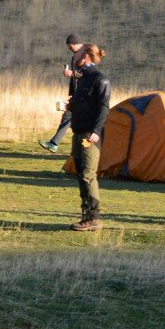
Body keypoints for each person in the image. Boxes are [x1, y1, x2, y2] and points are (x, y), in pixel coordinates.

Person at [68, 44, 110, 231]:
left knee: (87, 175)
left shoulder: (99, 78)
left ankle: (94, 218)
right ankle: (86, 216)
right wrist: (70, 107)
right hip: (77, 134)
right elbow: (84, 104)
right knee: (80, 175)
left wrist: (96, 131)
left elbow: (104, 107)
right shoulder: (82, 78)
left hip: (90, 136)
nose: (74, 54)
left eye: (77, 52)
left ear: (85, 55)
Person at [39, 33, 85, 153]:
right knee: (68, 117)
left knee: (73, 118)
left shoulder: (82, 55)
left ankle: (56, 144)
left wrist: (72, 74)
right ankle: (54, 143)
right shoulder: (78, 54)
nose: (69, 48)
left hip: (82, 94)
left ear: (75, 44)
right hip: (78, 93)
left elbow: (88, 74)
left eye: (70, 46)